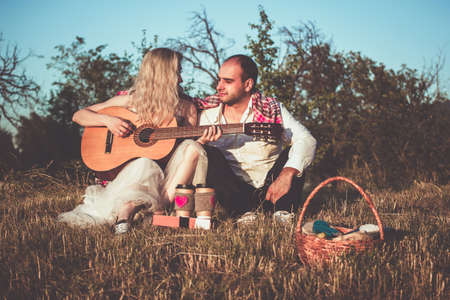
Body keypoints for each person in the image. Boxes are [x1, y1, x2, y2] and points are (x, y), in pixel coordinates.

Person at [57, 48, 219, 234]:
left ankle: (156, 209)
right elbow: (79, 115)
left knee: (194, 147)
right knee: (144, 163)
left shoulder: (186, 108)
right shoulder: (129, 101)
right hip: (132, 176)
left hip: (166, 179)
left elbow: (185, 153)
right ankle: (130, 209)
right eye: (177, 72)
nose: (181, 79)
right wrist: (108, 120)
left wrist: (203, 141)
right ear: (162, 75)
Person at [193, 54, 317, 223]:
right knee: (207, 153)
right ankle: (243, 215)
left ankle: (282, 213)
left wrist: (287, 173)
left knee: (296, 152)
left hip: (272, 187)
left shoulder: (272, 109)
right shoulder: (207, 115)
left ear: (248, 84)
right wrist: (202, 142)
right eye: (219, 80)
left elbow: (307, 139)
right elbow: (190, 154)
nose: (219, 87)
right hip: (235, 193)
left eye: (228, 81)